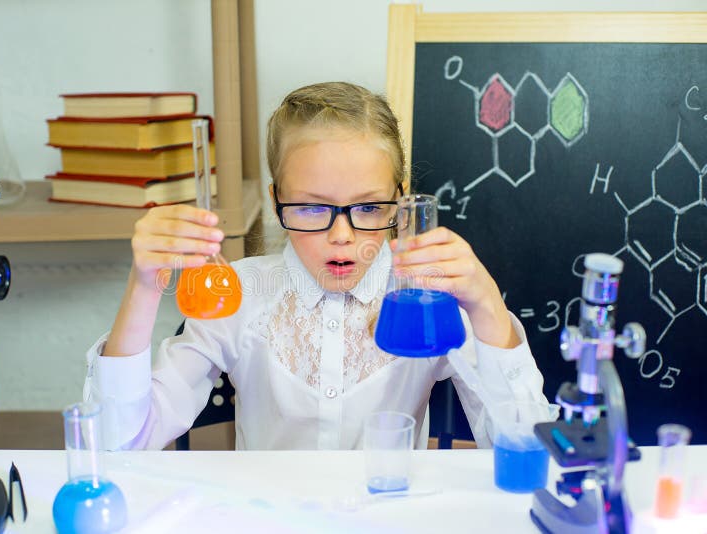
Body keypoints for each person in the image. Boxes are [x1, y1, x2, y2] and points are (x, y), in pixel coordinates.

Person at [85, 81, 550, 450]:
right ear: (277, 200)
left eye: (369, 208)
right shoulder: (242, 294)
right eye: (311, 208)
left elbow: (525, 445)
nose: (342, 235)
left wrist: (487, 305)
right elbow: (118, 442)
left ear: (400, 200)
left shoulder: (425, 298)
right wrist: (144, 285)